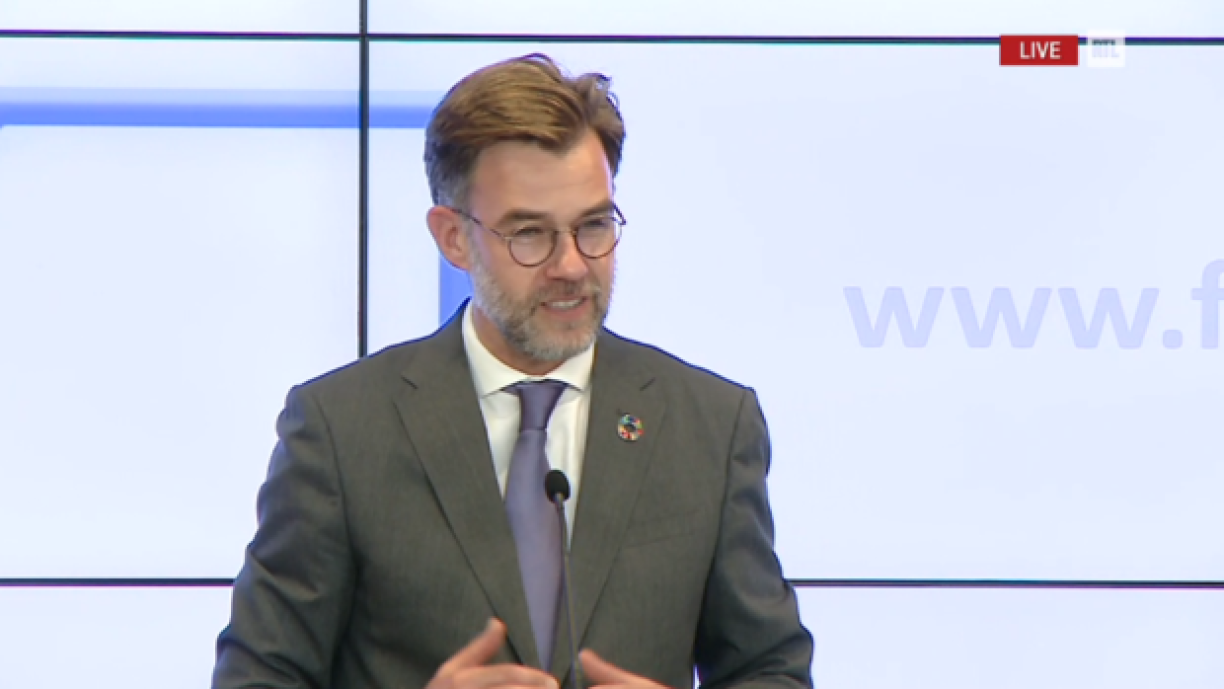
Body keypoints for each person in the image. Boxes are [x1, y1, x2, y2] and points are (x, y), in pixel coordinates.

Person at [212, 53, 813, 689]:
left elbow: (770, 671)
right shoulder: (342, 429)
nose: (572, 266)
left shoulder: (710, 426)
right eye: (529, 234)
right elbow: (257, 678)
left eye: (594, 225)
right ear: (453, 237)